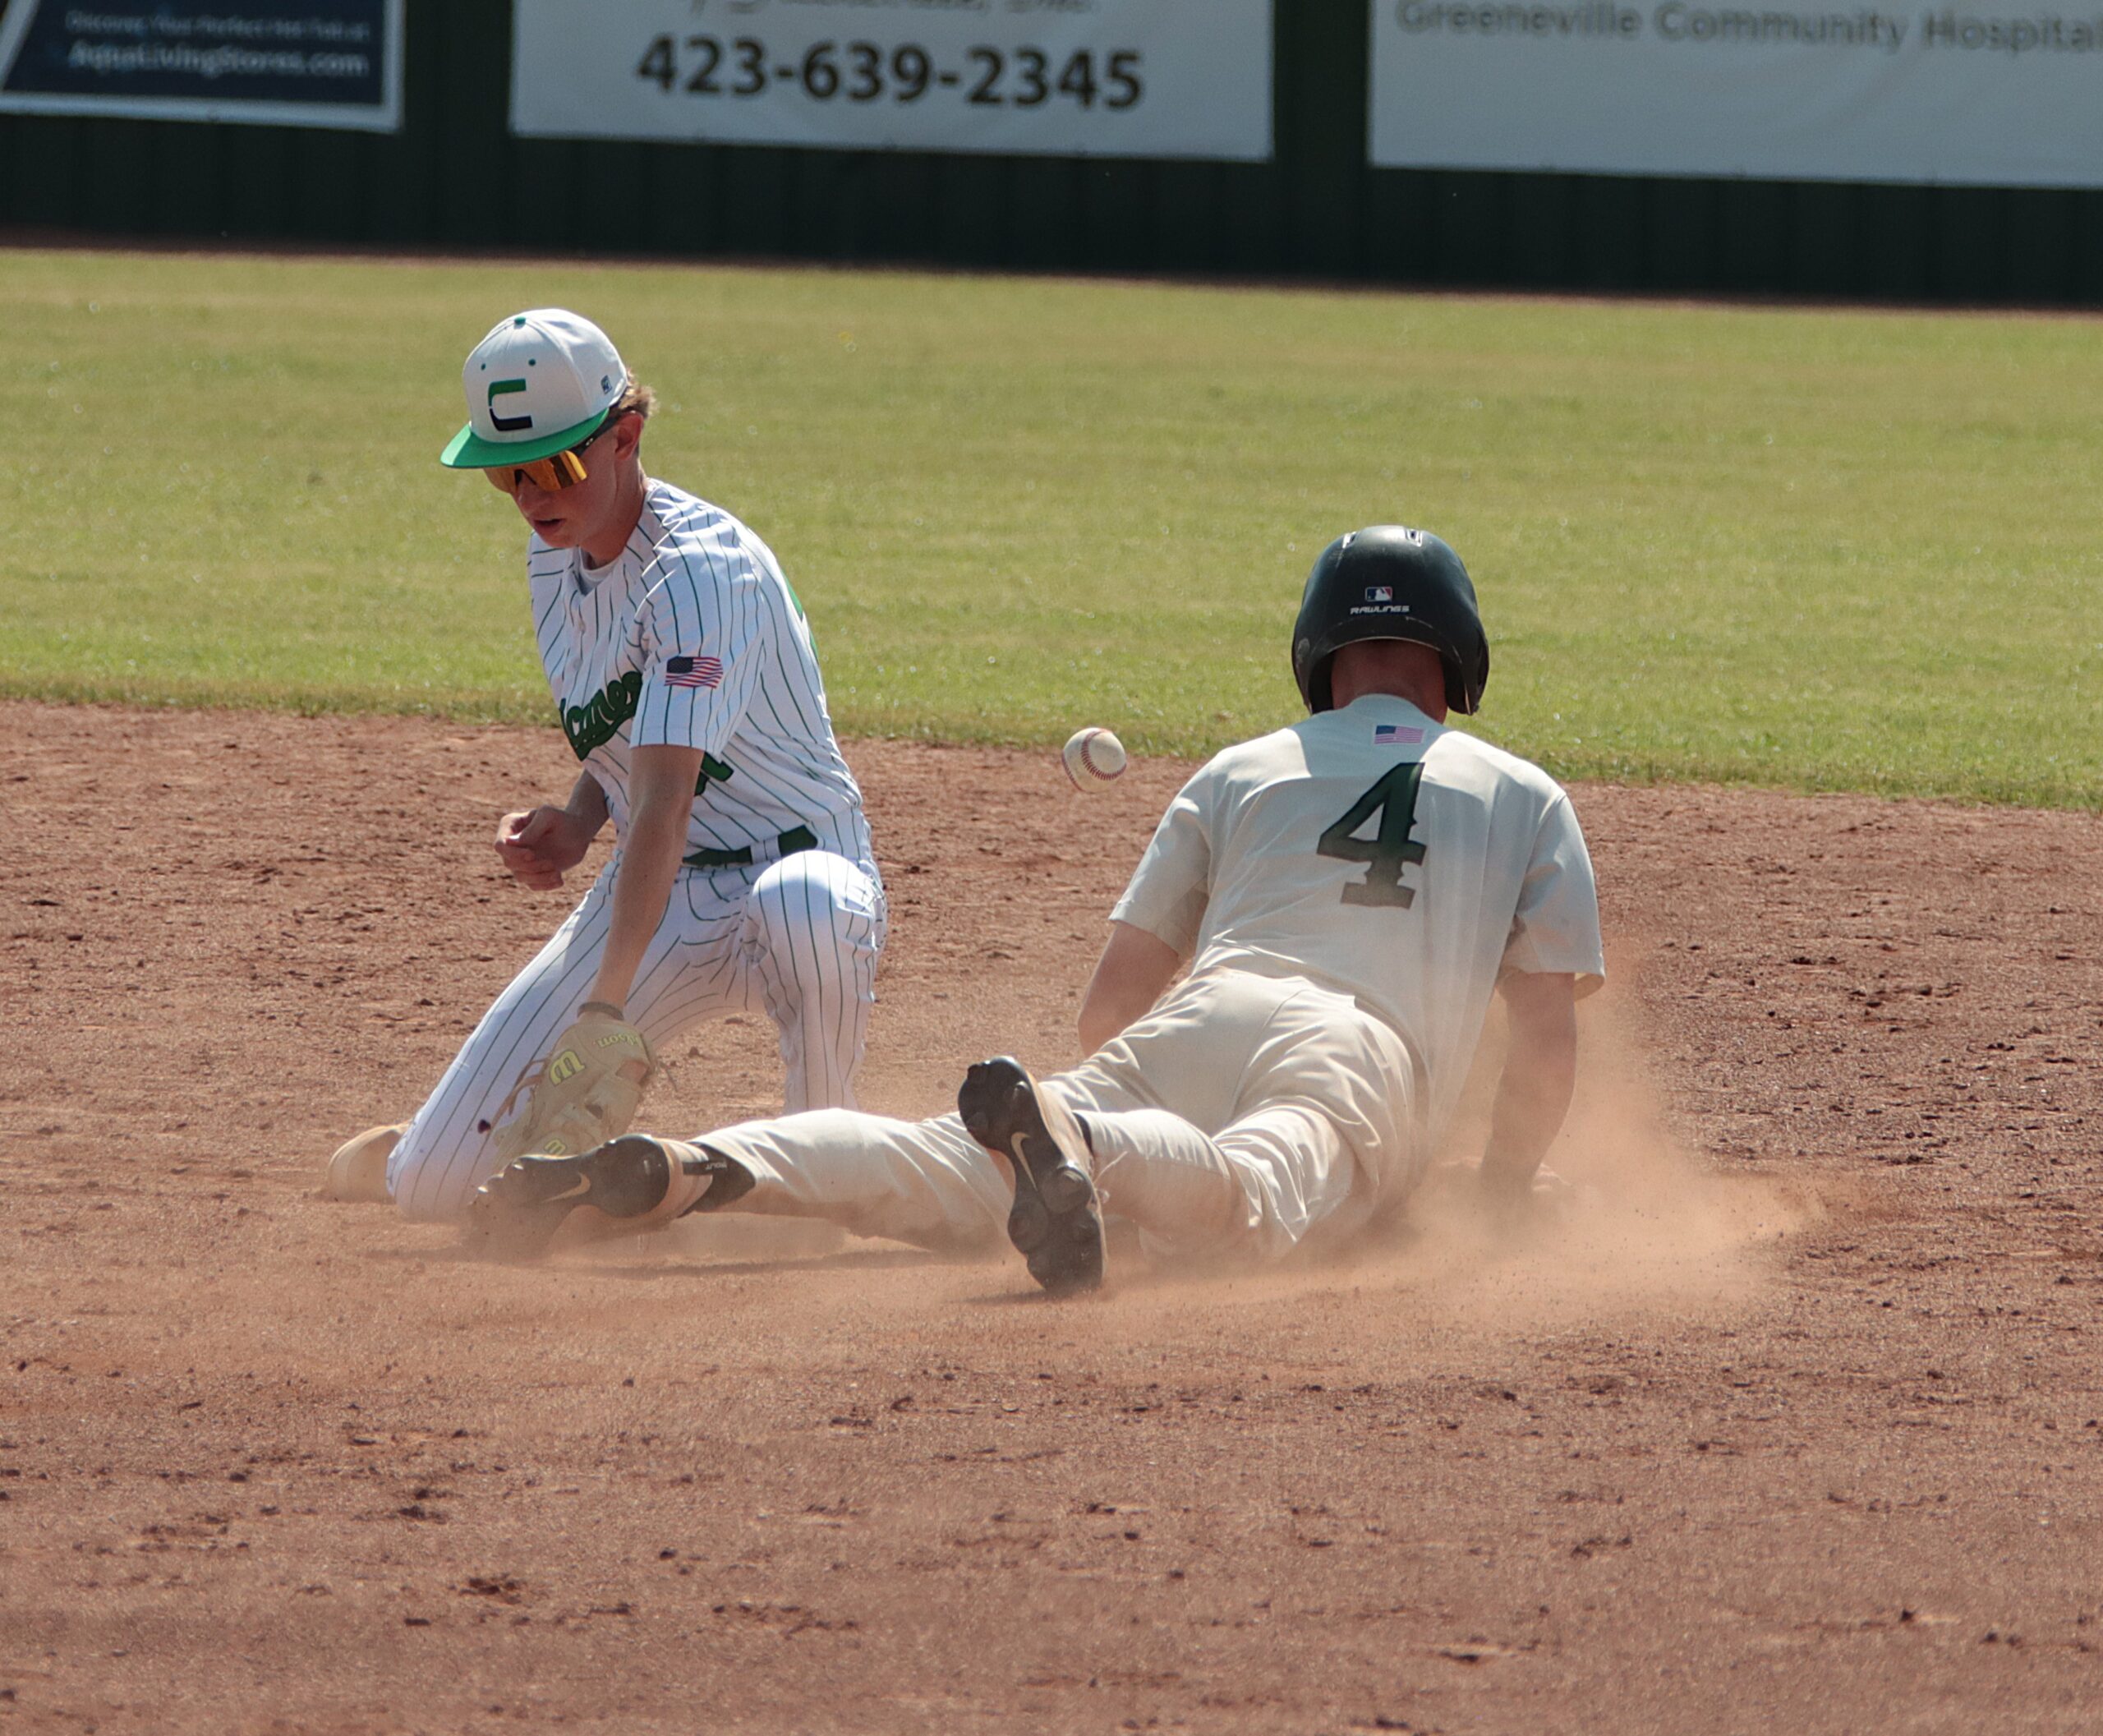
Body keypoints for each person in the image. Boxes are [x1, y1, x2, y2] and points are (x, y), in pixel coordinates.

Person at [466, 527, 1604, 1292]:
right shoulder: (1522, 793)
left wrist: (1144, 1092)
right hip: (1358, 1052)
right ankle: (1091, 1144)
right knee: (1252, 1204)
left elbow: (1112, 1005)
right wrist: (1499, 1193)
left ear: (1318, 655)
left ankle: (693, 1164)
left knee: (946, 1163)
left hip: (1204, 1009)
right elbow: (1545, 1042)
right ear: (1459, 659)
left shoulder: (1241, 769)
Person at [323, 308, 886, 1223]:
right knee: (435, 1190)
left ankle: (829, 1163)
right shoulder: (556, 560)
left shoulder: (704, 573)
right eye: (506, 472)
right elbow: (638, 727)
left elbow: (663, 801)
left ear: (625, 436)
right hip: (661, 888)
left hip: (795, 867)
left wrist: (605, 1010)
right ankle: (437, 1140)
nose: (529, 494)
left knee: (807, 910)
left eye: (553, 466)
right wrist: (583, 817)